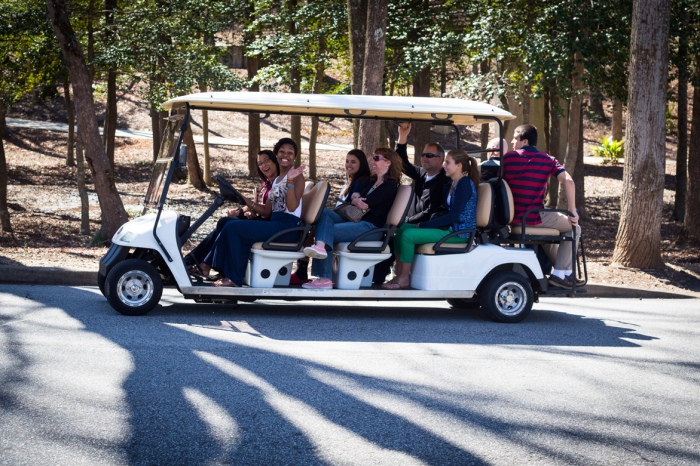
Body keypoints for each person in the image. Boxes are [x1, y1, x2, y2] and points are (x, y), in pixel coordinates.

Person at [203, 138, 306, 287]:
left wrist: (290, 182)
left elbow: (291, 207)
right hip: (276, 223)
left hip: (287, 228)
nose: (286, 155)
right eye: (282, 151)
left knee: (234, 229)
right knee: (228, 222)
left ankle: (234, 278)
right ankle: (217, 269)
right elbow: (266, 210)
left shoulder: (297, 177)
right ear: (276, 155)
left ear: (295, 157)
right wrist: (244, 199)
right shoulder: (276, 180)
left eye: (290, 153)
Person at [301, 147, 402, 290]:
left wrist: (357, 199)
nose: (372, 161)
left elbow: (366, 203)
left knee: (325, 232)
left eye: (376, 158)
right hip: (356, 221)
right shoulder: (371, 181)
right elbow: (356, 195)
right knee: (323, 212)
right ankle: (321, 247)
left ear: (388, 162)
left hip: (371, 228)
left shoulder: (390, 185)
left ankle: (324, 277)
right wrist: (356, 198)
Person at [382, 150, 479, 289]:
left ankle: (403, 279)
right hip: (449, 228)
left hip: (459, 232)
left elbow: (454, 216)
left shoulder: (464, 184)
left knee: (408, 236)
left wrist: (423, 225)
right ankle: (399, 275)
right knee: (401, 229)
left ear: (459, 166)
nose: (444, 165)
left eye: (448, 162)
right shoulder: (451, 183)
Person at [502, 124, 581, 289]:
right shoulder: (548, 159)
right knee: (574, 227)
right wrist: (572, 211)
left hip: (510, 218)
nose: (512, 141)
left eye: (515, 138)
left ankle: (565, 273)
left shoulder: (507, 159)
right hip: (531, 217)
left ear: (524, 141)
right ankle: (561, 274)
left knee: (553, 230)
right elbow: (568, 181)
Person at [187, 150, 279, 279]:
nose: (263, 165)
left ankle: (203, 265)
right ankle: (195, 261)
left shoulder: (278, 183)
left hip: (270, 225)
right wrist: (242, 211)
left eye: (266, 161)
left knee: (230, 225)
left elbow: (267, 211)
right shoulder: (266, 184)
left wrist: (247, 203)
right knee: (225, 221)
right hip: (261, 220)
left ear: (275, 160)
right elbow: (257, 205)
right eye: (260, 163)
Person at [290, 149, 371, 284]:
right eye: (347, 161)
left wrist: (355, 198)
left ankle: (317, 274)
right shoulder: (350, 181)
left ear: (361, 164)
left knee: (324, 225)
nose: (348, 164)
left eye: (353, 162)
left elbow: (357, 198)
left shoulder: (362, 180)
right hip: (345, 216)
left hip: (355, 221)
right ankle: (304, 268)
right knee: (321, 219)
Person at [395, 122, 449, 223]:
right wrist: (402, 136)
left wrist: (407, 221)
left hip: (420, 225)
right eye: (423, 155)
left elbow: (430, 212)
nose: (424, 158)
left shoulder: (444, 181)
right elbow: (401, 162)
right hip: (407, 219)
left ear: (440, 159)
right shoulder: (421, 173)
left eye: (429, 155)